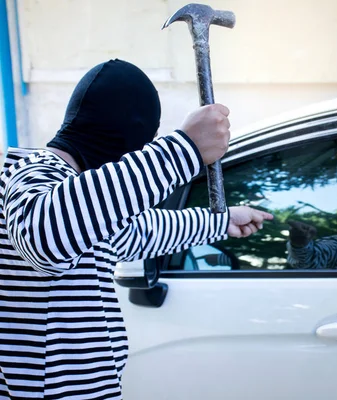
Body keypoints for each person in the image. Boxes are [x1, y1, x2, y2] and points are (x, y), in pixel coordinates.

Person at [0, 59, 272, 399]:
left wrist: (221, 221)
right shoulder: (31, 174)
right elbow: (46, 238)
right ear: (125, 134)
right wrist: (182, 151)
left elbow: (140, 230)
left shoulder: (82, 200)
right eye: (144, 142)